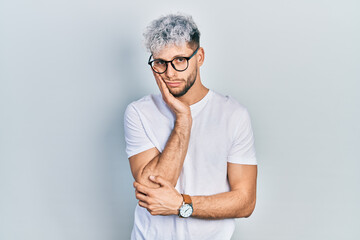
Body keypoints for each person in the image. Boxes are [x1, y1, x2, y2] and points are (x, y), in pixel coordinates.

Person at [124, 13, 258, 240]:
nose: (170, 73)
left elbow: (245, 202)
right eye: (160, 63)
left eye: (179, 60)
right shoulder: (139, 112)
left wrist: (182, 205)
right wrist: (183, 119)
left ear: (200, 57)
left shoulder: (233, 115)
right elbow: (152, 191)